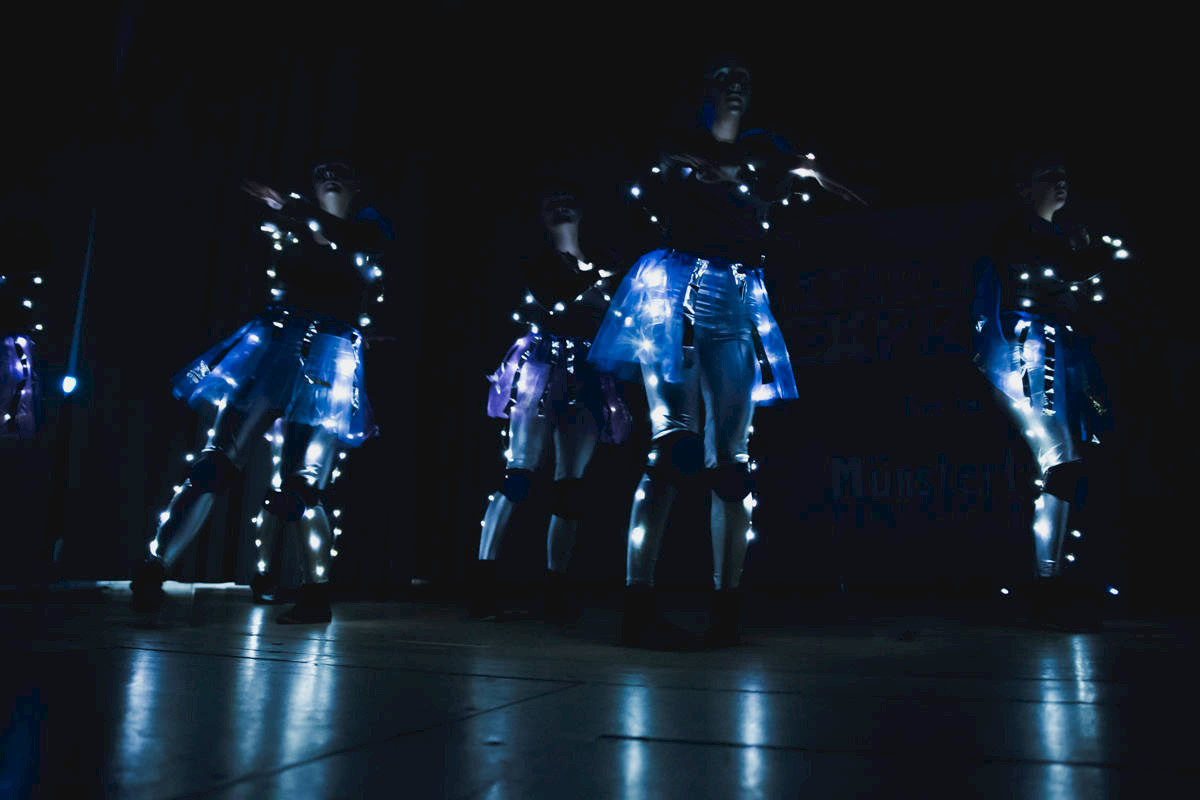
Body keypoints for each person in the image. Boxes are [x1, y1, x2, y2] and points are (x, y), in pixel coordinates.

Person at [588, 57, 866, 647]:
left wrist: (802, 172)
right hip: (674, 295)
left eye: (744, 81)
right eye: (724, 80)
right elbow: (659, 167)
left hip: (737, 298)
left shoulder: (764, 151)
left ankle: (727, 609)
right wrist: (713, 166)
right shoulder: (678, 143)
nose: (736, 87)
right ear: (706, 91)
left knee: (733, 465)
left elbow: (794, 169)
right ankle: (638, 605)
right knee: (671, 450)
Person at [130, 158, 390, 623]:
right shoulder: (292, 229)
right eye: (321, 170)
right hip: (276, 345)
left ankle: (315, 596)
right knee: (215, 463)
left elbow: (355, 243)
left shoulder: (368, 228)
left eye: (340, 170)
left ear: (358, 182)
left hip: (329, 354)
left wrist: (293, 207)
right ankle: (154, 571)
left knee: (302, 485)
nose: (330, 176)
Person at [971, 153, 1122, 626]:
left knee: (1063, 462)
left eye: (1064, 177)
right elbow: (1044, 278)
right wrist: (1088, 260)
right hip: (1026, 354)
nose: (1061, 183)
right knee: (1061, 461)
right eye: (1049, 177)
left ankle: (1050, 581)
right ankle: (1045, 585)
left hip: (1052, 355)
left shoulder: (1056, 238)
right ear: (1023, 187)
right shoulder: (1018, 236)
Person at [472, 186, 631, 622]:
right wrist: (597, 279)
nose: (561, 207)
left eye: (570, 201)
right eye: (551, 203)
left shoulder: (604, 265)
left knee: (571, 486)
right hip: (542, 366)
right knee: (519, 475)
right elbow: (551, 298)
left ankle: (556, 589)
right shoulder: (535, 262)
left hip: (587, 371)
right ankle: (484, 583)